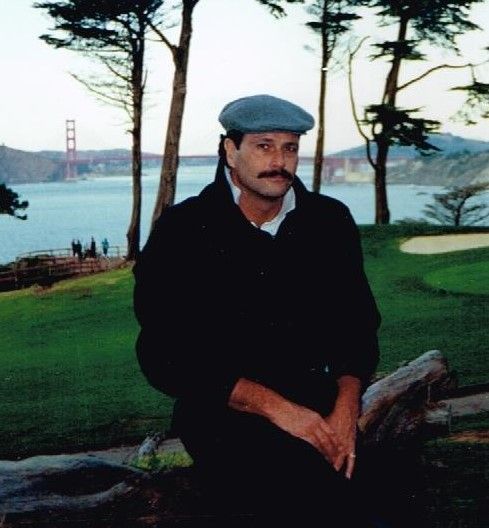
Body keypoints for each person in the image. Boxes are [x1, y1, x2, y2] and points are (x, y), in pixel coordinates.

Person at [133, 94, 383, 526]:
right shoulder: (184, 232)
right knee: (305, 499)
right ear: (230, 151)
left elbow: (356, 327)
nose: (279, 162)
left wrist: (346, 408)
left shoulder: (328, 222)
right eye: (264, 146)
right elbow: (164, 353)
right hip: (224, 415)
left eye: (290, 148)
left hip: (318, 402)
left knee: (358, 499)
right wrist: (278, 409)